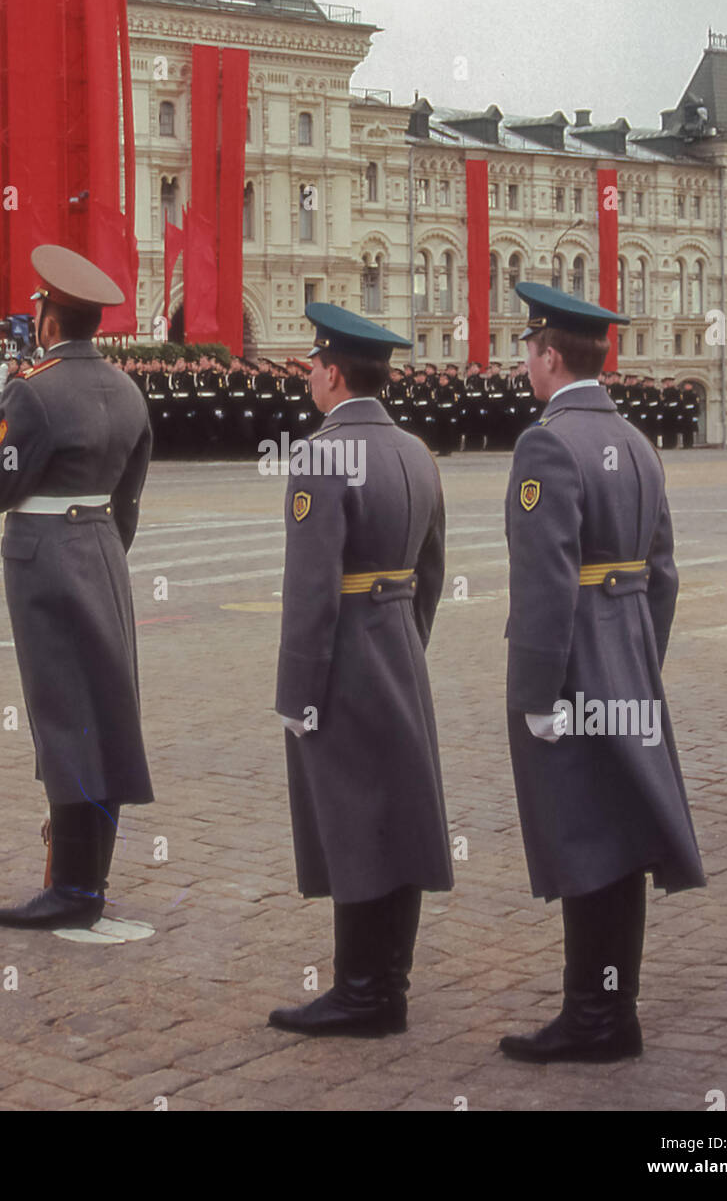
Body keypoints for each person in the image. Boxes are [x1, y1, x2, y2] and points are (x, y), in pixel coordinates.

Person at [499, 282, 705, 1062]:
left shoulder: (546, 443)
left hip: (575, 663)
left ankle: (594, 1018)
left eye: (529, 349)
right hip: (625, 655)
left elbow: (546, 582)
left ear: (550, 356)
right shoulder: (640, 441)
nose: (525, 362)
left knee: (583, 832)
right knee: (618, 834)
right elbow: (665, 573)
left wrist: (537, 693)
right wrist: (638, 656)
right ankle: (611, 1011)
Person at [269, 302, 453, 1038]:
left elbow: (310, 588)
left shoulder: (319, 453)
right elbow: (433, 570)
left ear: (335, 372)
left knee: (351, 818)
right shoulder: (416, 450)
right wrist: (405, 638)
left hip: (344, 650)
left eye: (314, 364)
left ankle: (359, 991)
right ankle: (389, 983)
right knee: (399, 813)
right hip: (399, 643)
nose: (309, 375)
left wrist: (295, 691)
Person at [0, 245, 154, 930]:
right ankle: (87, 881)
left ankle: (72, 890)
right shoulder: (128, 390)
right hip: (102, 549)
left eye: (38, 307)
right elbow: (128, 500)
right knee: (101, 715)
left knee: (63, 719)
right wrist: (98, 548)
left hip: (46, 558)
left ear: (47, 319)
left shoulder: (34, 391)